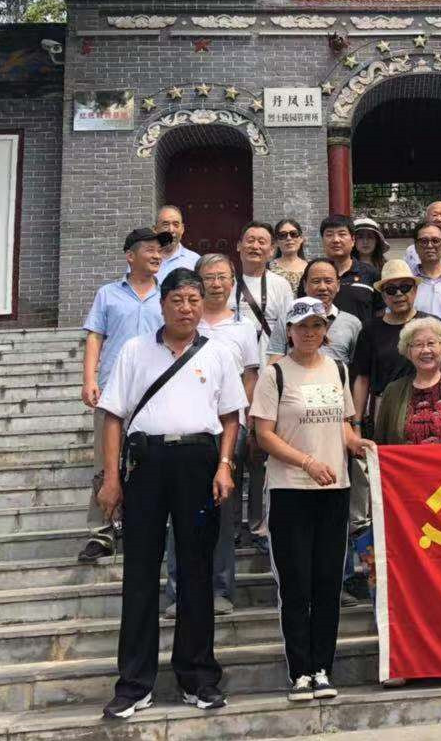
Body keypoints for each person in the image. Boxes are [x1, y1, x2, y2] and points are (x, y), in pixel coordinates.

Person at [96, 268, 246, 718]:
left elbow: (231, 417)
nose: (186, 308)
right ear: (162, 305)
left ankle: (198, 677)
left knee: (196, 571)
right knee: (140, 572)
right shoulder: (134, 350)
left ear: (204, 304)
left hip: (199, 464)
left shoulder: (217, 352)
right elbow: (113, 416)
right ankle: (134, 684)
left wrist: (224, 465)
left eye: (193, 300)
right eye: (177, 300)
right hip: (146, 464)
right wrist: (111, 478)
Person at [250, 298, 371, 703]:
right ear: (289, 330)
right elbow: (264, 435)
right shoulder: (275, 374)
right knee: (296, 584)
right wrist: (306, 462)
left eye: (317, 326)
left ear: (326, 330)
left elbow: (343, 425)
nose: (309, 333)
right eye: (302, 326)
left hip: (333, 491)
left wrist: (357, 444)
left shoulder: (338, 369)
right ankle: (300, 670)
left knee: (327, 583)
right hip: (290, 490)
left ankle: (322, 668)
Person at [163, 254, 260, 617]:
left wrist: (246, 423)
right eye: (209, 277)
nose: (216, 284)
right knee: (179, 511)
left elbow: (250, 377)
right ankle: (178, 590)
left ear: (233, 282)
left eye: (223, 277)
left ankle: (220, 588)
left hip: (228, 429)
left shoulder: (244, 328)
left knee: (221, 510)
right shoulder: (185, 324)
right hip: (186, 428)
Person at [78, 226, 170, 564]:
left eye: (159, 250)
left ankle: (146, 526)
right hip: (113, 389)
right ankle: (101, 532)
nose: (156, 254)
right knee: (106, 462)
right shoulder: (108, 294)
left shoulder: (167, 294)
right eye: (149, 249)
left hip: (156, 392)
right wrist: (89, 378)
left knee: (153, 461)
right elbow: (95, 337)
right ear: (130, 256)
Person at [375, 317, 441, 445]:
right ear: (409, 352)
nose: (425, 350)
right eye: (418, 344)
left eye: (431, 343)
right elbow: (381, 442)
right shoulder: (393, 392)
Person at [350, 259, 429, 433]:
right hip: (385, 409)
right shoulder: (370, 330)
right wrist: (357, 424)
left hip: (426, 407)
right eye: (391, 290)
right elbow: (362, 379)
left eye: (405, 287)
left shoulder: (430, 324)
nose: (399, 294)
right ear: (383, 296)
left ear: (415, 290)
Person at [268, 259, 363, 366]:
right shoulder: (288, 318)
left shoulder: (353, 323)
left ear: (338, 285)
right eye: (316, 281)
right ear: (305, 285)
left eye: (328, 281)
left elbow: (357, 368)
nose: (322, 287)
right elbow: (275, 360)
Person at [230, 220, 296, 361]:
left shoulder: (281, 285)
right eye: (250, 240)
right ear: (239, 245)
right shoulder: (226, 283)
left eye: (261, 242)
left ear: (272, 250)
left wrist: (273, 368)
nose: (255, 246)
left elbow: (288, 330)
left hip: (268, 364)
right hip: (232, 363)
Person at [321, 214, 380, 323]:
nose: (336, 240)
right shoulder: (314, 273)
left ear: (352, 240)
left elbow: (380, 313)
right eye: (329, 235)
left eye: (342, 234)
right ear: (322, 240)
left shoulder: (372, 274)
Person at [153, 205, 200, 282]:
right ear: (155, 229)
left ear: (182, 229)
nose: (171, 230)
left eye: (176, 225)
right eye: (165, 225)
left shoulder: (194, 261)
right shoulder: (143, 260)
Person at [270, 218, 308, 293]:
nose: (289, 238)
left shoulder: (310, 268)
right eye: (282, 235)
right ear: (276, 242)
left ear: (301, 238)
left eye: (293, 234)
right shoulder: (267, 268)